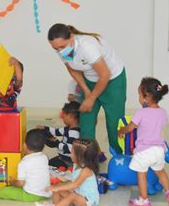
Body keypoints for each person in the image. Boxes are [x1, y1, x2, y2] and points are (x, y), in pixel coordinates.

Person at [47, 24, 127, 154]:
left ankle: (119, 157)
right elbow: (72, 69)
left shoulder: (87, 46)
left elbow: (105, 75)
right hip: (90, 80)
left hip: (113, 80)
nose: (60, 51)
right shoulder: (62, 50)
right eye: (55, 48)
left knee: (114, 123)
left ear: (71, 37)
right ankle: (88, 158)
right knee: (85, 122)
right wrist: (86, 91)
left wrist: (92, 98)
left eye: (62, 47)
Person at [118, 77, 169, 206]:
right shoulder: (163, 112)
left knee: (142, 174)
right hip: (159, 150)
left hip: (144, 151)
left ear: (147, 97)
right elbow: (161, 125)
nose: (139, 98)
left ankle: (143, 200)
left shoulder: (141, 112)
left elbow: (131, 127)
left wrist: (121, 131)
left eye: (139, 95)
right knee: (160, 171)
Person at [35, 138, 100, 206]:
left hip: (89, 202)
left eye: (72, 152)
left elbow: (75, 184)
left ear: (79, 156)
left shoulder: (86, 170)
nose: (70, 153)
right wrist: (57, 179)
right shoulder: (76, 165)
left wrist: (58, 187)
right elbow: (70, 180)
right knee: (57, 187)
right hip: (78, 196)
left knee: (70, 194)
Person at [0, 129, 52, 202]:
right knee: (17, 188)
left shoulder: (24, 162)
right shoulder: (45, 157)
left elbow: (20, 183)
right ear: (43, 147)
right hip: (46, 193)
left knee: (7, 191)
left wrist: (12, 182)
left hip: (31, 195)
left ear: (24, 145)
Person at [38, 101, 80, 169]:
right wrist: (46, 128)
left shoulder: (74, 132)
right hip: (63, 157)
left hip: (68, 161)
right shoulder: (68, 128)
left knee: (48, 165)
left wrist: (57, 143)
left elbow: (70, 148)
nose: (62, 119)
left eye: (64, 117)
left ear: (71, 117)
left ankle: (70, 168)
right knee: (49, 163)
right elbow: (56, 132)